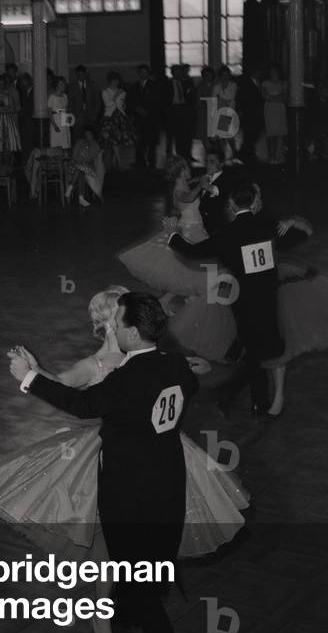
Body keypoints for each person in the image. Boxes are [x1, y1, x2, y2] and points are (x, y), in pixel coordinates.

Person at [0, 287, 248, 633]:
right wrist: (33, 373)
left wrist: (193, 366)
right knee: (109, 553)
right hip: (108, 459)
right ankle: (103, 618)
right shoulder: (97, 365)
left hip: (149, 455)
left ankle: (138, 600)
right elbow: (71, 393)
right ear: (112, 327)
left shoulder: (151, 358)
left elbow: (166, 376)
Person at [8, 292, 198, 633]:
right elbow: (187, 387)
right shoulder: (176, 365)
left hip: (130, 494)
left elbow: (82, 404)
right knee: (149, 567)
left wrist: (28, 377)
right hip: (169, 485)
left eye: (119, 322)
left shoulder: (127, 378)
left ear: (129, 331)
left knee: (138, 579)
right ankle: (126, 616)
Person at [168, 181, 312, 417]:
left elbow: (192, 251)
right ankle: (255, 400)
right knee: (261, 347)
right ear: (252, 202)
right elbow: (302, 235)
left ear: (232, 205)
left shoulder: (228, 234)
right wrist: (294, 222)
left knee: (254, 348)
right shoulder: (267, 226)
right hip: (268, 296)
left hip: (243, 300)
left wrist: (172, 232)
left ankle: (255, 400)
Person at [118, 156, 209, 296]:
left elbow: (188, 188)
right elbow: (189, 197)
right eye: (187, 167)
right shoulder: (179, 190)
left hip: (193, 227)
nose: (190, 169)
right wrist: (200, 185)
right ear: (182, 170)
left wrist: (197, 180)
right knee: (197, 266)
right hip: (191, 230)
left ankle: (169, 301)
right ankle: (190, 300)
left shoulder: (182, 184)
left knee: (186, 269)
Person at [262, 66, 287, 165]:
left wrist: (273, 98)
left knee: (279, 133)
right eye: (272, 71)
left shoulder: (282, 83)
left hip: (280, 109)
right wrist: (277, 97)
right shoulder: (265, 83)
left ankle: (278, 156)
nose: (273, 72)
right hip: (269, 109)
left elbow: (284, 97)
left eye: (275, 70)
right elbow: (265, 96)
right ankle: (270, 156)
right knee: (271, 133)